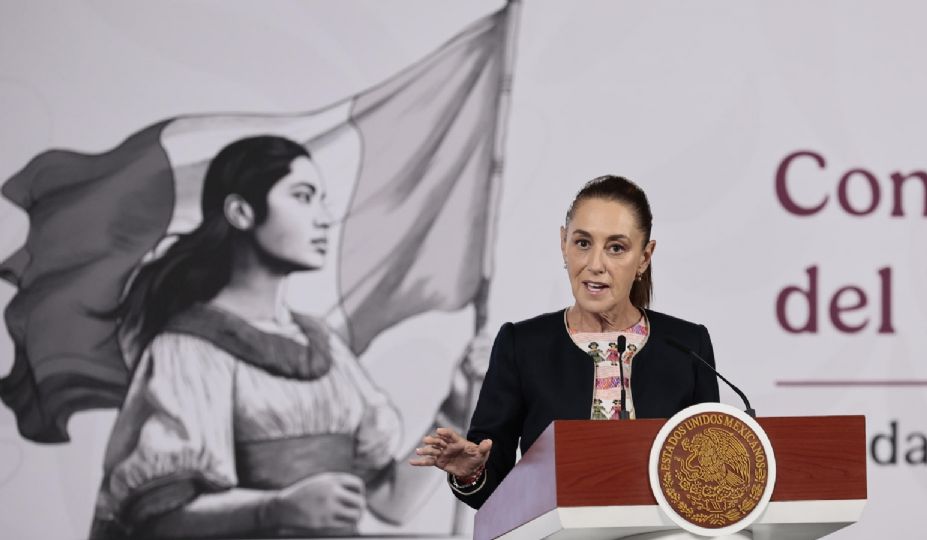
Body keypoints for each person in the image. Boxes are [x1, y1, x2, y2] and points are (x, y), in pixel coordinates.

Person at [90, 135, 473, 539]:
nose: (324, 218)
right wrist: (276, 509)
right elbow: (159, 521)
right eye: (303, 197)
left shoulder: (324, 347)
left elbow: (391, 502)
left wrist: (456, 412)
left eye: (321, 200)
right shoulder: (188, 349)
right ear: (241, 212)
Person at [410, 175, 721, 509]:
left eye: (616, 248)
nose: (595, 265)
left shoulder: (688, 346)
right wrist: (472, 473)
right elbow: (491, 485)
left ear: (644, 257)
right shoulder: (522, 345)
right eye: (583, 243)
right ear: (564, 244)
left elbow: (711, 475)